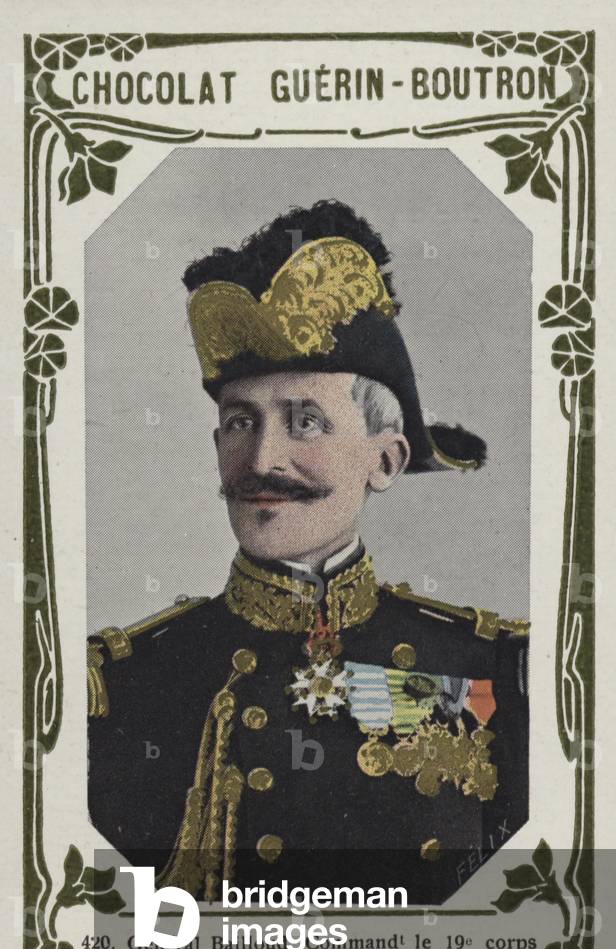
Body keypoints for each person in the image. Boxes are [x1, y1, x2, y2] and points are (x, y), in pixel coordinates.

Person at [88, 200, 529, 904]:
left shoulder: (495, 671)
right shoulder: (116, 684)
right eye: (241, 422)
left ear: (385, 460)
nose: (263, 459)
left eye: (305, 421)